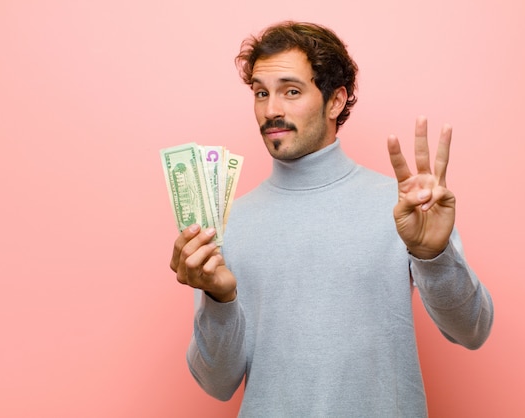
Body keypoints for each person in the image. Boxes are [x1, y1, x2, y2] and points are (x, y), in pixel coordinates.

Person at [170, 21, 493, 417]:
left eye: (291, 91)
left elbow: (472, 330)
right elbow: (217, 384)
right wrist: (219, 300)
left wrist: (435, 256)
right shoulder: (227, 224)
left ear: (335, 101)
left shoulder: (404, 209)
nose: (271, 110)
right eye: (260, 93)